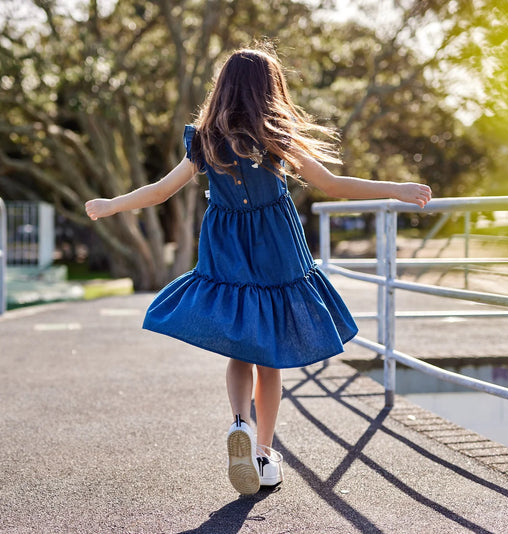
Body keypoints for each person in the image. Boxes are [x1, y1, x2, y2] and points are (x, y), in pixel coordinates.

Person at [85, 45, 431, 496]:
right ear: (270, 90)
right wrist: (397, 189)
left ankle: (239, 424)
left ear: (223, 87)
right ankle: (265, 454)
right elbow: (331, 184)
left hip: (227, 247)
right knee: (271, 358)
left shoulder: (205, 139)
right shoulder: (274, 136)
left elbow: (159, 192)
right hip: (276, 246)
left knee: (239, 345)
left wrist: (113, 204)